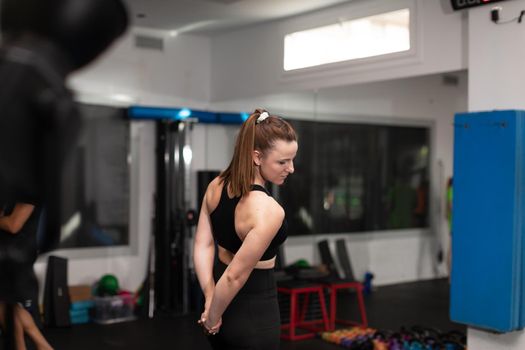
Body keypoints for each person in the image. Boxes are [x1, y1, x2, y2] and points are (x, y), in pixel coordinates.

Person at [193, 108, 297, 349]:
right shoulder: (270, 211)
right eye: (282, 161)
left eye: (292, 159)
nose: (290, 168)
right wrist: (212, 317)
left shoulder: (215, 186)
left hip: (219, 301)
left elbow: (203, 245)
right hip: (255, 313)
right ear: (257, 157)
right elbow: (235, 276)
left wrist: (210, 298)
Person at [0, 203, 53, 350]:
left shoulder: (28, 191)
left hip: (15, 256)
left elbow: (13, 224)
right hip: (8, 253)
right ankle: (43, 346)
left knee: (7, 306)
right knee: (8, 305)